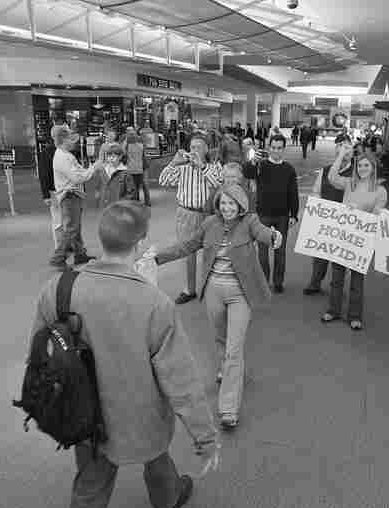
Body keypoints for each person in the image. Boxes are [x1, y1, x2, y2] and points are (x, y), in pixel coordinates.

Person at [30, 201, 220, 508]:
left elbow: (38, 352)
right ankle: (167, 498)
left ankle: (162, 496)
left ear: (101, 237)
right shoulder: (153, 302)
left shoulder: (59, 288)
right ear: (141, 243)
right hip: (141, 414)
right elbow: (181, 378)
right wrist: (204, 437)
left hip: (83, 413)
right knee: (155, 452)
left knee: (90, 488)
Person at [150, 185, 282, 428]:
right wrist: (156, 257)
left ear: (241, 205)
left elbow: (264, 233)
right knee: (220, 339)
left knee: (234, 348)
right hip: (213, 291)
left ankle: (228, 409)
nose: (227, 208)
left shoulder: (250, 221)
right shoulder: (209, 223)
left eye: (232, 204)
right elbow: (186, 246)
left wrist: (273, 237)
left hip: (240, 293)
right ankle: (230, 369)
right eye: (223, 203)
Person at [321, 151, 387, 330]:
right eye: (360, 165)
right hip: (343, 236)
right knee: (337, 276)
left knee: (357, 281)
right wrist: (341, 154)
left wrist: (358, 212)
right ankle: (333, 310)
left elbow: (376, 215)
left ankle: (355, 316)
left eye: (366, 165)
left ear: (373, 168)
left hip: (362, 241)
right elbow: (332, 176)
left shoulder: (380, 191)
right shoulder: (350, 183)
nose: (363, 169)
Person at [158, 134, 223, 304]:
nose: (194, 151)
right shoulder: (182, 167)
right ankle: (189, 289)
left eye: (198, 147)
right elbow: (163, 180)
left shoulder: (214, 166)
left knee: (212, 252)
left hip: (208, 215)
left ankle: (212, 288)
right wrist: (173, 162)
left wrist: (201, 167)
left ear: (206, 149)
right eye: (192, 147)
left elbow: (219, 183)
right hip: (186, 213)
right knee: (187, 252)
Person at [303, 134, 355, 295]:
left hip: (346, 220)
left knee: (340, 257)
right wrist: (317, 209)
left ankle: (336, 287)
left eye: (347, 147)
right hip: (326, 219)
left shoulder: (357, 171)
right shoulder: (325, 170)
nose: (344, 151)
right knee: (319, 254)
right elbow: (316, 192)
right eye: (340, 147)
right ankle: (315, 282)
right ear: (336, 150)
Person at [248, 134, 299, 293]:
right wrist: (253, 161)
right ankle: (264, 282)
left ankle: (278, 282)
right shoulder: (260, 165)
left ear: (284, 149)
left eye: (279, 148)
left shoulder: (289, 169)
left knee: (280, 252)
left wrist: (294, 214)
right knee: (262, 253)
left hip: (282, 216)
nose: (276, 151)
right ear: (269, 148)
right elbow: (247, 173)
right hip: (263, 215)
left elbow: (293, 193)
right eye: (274, 147)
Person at [49, 126, 103, 268]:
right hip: (69, 195)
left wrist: (90, 168)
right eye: (70, 139)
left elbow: (79, 172)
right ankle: (58, 258)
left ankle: (80, 254)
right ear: (64, 140)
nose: (73, 142)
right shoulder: (63, 157)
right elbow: (77, 177)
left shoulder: (65, 154)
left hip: (72, 195)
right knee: (71, 229)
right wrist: (93, 168)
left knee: (75, 227)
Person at [95, 143, 135, 209]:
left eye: (113, 156)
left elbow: (131, 193)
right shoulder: (103, 171)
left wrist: (122, 203)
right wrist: (99, 198)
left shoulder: (125, 173)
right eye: (108, 156)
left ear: (120, 157)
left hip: (119, 208)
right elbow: (99, 187)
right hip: (104, 207)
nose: (110, 159)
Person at [121, 131, 150, 206]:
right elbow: (145, 153)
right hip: (140, 168)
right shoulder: (140, 145)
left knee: (135, 186)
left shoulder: (128, 146)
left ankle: (137, 201)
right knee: (143, 184)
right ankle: (146, 201)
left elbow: (123, 152)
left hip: (133, 168)